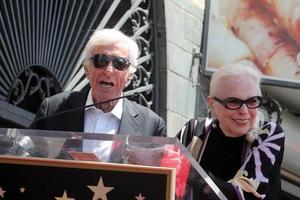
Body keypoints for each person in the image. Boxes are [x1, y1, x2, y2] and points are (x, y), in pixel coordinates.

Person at [30, 29, 166, 162]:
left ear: (129, 75)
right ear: (87, 69)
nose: (108, 70)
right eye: (101, 60)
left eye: (120, 63)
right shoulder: (53, 109)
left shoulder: (151, 125)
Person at [177, 64, 285, 200]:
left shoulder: (268, 133)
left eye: (252, 101)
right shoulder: (194, 129)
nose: (244, 111)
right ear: (211, 104)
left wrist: (188, 172)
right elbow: (165, 175)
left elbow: (245, 195)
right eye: (233, 102)